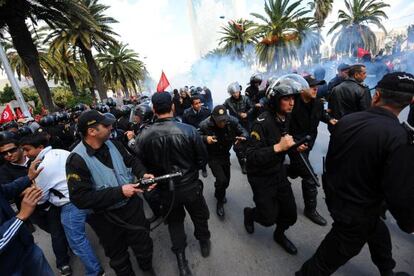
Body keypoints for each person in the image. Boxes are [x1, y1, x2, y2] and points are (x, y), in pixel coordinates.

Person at [296, 72, 414, 276]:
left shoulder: (348, 120)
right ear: (411, 101)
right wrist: (408, 222)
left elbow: (333, 160)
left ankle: (387, 270)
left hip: (343, 200)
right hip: (355, 213)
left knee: (379, 233)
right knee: (323, 264)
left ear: (376, 95)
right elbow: (399, 193)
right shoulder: (399, 138)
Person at [66, 110, 155, 276]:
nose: (111, 127)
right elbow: (80, 199)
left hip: (131, 208)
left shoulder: (115, 144)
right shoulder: (76, 159)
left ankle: (147, 269)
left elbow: (132, 161)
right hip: (105, 218)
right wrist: (119, 192)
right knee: (118, 257)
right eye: (106, 125)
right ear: (92, 131)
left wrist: (143, 174)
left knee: (143, 243)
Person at [135, 92, 211, 276]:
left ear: (154, 109)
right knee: (199, 217)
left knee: (175, 224)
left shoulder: (143, 136)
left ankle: (181, 262)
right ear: (173, 107)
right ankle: (203, 241)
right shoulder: (189, 130)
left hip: (166, 191)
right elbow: (202, 158)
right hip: (190, 187)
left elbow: (138, 162)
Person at [20, 133, 104, 276]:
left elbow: (41, 198)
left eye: (27, 150)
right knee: (100, 226)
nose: (25, 154)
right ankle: (112, 250)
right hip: (87, 195)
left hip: (70, 205)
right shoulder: (61, 152)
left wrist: (32, 188)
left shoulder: (41, 167)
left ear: (40, 147)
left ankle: (95, 271)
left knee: (77, 241)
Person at [243, 74, 309, 255]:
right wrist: (278, 148)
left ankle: (279, 235)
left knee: (290, 214)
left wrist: (294, 145)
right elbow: (252, 156)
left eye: (293, 98)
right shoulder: (261, 123)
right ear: (275, 100)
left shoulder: (285, 117)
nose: (292, 103)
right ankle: (250, 213)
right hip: (261, 176)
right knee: (267, 218)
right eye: (286, 99)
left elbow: (284, 140)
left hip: (278, 172)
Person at [288, 75, 337, 226]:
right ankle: (311, 210)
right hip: (293, 144)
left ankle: (280, 172)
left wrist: (329, 119)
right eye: (312, 86)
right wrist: (295, 143)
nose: (316, 88)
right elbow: (283, 126)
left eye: (318, 86)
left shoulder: (317, 102)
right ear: (302, 88)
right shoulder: (292, 103)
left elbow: (320, 114)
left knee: (296, 170)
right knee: (310, 176)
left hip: (309, 142)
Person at [0, 159, 54, 275]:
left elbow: (6, 190)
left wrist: (28, 177)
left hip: (28, 249)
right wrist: (21, 216)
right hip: (9, 268)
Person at [199, 105, 248, 219]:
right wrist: (206, 138)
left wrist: (243, 137)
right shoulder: (205, 124)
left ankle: (219, 190)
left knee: (226, 182)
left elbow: (244, 131)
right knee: (222, 180)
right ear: (213, 118)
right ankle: (219, 201)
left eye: (224, 120)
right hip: (212, 156)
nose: (223, 123)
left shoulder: (232, 121)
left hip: (225, 155)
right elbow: (195, 136)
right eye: (219, 121)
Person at [224, 82, 253, 173]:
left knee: (248, 144)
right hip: (234, 126)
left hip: (246, 124)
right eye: (233, 93)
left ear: (239, 91)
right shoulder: (228, 101)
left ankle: (249, 161)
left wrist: (247, 114)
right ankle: (243, 165)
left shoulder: (245, 98)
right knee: (237, 147)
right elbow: (222, 109)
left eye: (236, 92)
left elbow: (252, 107)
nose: (235, 94)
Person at [182, 96, 211, 178]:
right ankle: (203, 168)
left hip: (205, 134)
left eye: (199, 103)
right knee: (198, 153)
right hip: (193, 136)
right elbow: (185, 126)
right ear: (192, 105)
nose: (198, 105)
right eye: (196, 104)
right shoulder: (186, 114)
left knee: (207, 151)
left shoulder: (207, 111)